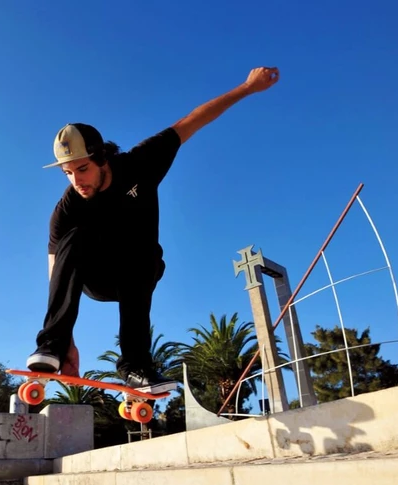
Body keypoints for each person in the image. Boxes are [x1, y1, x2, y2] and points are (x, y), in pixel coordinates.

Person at [27, 67, 280, 393]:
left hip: (137, 270)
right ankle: (52, 345)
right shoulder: (67, 208)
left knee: (143, 256)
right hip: (96, 276)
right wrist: (67, 342)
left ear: (101, 157)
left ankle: (136, 366)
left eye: (83, 169)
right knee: (74, 238)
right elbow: (55, 273)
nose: (77, 181)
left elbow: (193, 121)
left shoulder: (140, 163)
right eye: (68, 173)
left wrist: (247, 87)